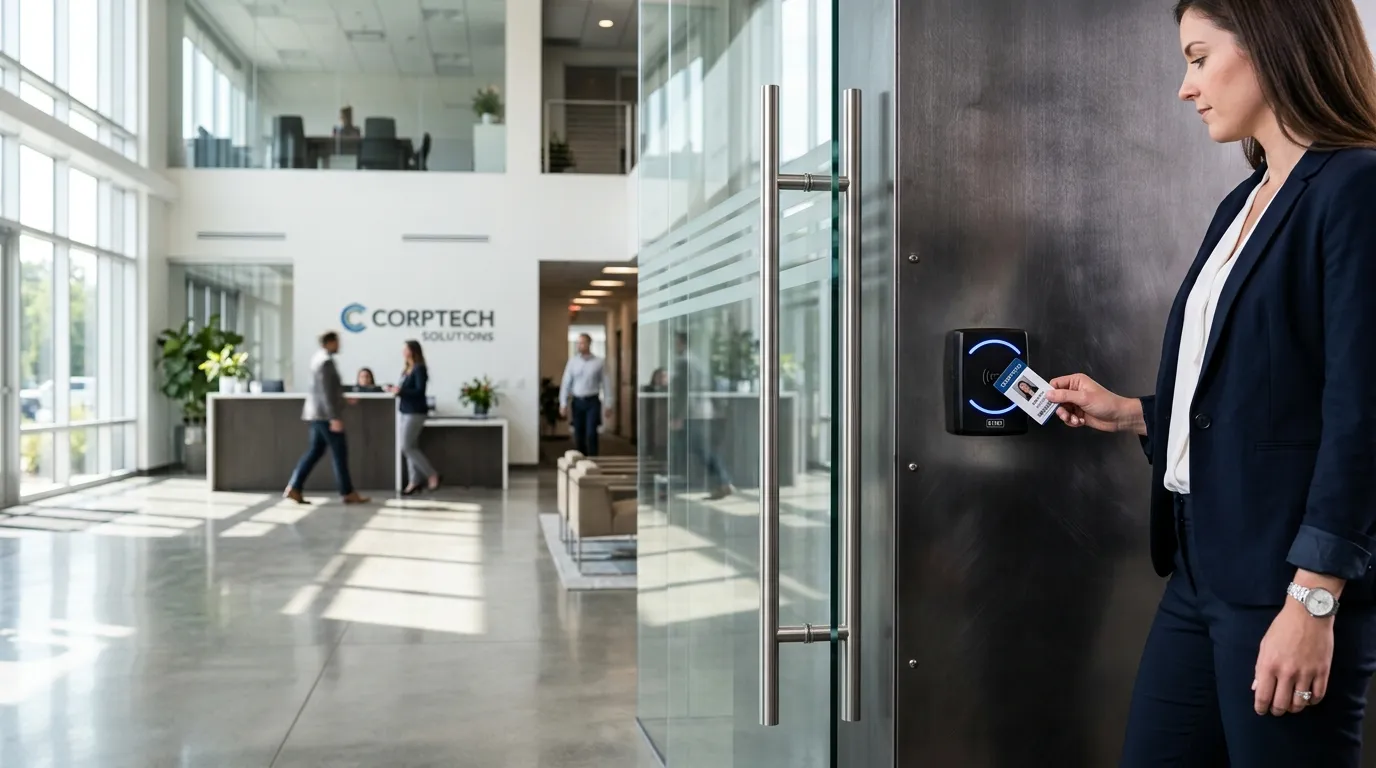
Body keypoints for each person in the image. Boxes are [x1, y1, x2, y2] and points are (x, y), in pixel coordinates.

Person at [1046, 2, 1376, 764]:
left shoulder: (1354, 188)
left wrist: (1314, 597)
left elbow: (1360, 412)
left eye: (1198, 57)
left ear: (1271, 43)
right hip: (1201, 566)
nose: (1185, 87)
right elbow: (1260, 395)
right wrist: (1133, 414)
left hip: (1287, 581)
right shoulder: (1244, 203)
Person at [284, 331, 369, 505]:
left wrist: (344, 400)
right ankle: (347, 492)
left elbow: (327, 390)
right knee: (340, 452)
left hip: (317, 414)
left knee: (315, 451)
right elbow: (326, 392)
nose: (339, 345)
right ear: (329, 342)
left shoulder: (319, 359)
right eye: (337, 342)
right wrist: (334, 417)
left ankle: (294, 486)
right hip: (324, 415)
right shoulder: (325, 362)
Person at [671, 332, 733, 500]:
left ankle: (722, 481)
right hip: (701, 410)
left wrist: (677, 416)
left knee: (700, 448)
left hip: (692, 412)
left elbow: (683, 392)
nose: (674, 346)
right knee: (697, 447)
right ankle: (720, 482)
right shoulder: (696, 361)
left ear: (682, 343)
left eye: (676, 343)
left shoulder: (684, 362)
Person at [387, 340, 440, 495]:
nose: (403, 351)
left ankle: (431, 474)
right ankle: (414, 482)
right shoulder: (407, 369)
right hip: (404, 411)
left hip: (415, 412)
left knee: (406, 446)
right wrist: (396, 389)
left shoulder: (419, 369)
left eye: (406, 349)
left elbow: (419, 391)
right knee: (411, 446)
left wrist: (400, 391)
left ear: (413, 351)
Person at [559, 333, 612, 456]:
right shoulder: (572, 362)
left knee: (591, 432)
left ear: (589, 344)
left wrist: (609, 404)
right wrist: (563, 403)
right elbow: (566, 383)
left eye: (582, 343)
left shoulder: (599, 362)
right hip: (577, 402)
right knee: (579, 433)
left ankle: (594, 460)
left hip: (592, 401)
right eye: (578, 343)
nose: (580, 345)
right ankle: (581, 460)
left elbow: (606, 384)